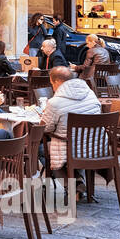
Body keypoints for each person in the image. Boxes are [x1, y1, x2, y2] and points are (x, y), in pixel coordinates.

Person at [40, 65, 102, 196]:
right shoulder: (90, 94)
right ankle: (79, 181)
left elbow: (45, 129)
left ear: (57, 82)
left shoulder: (55, 102)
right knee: (71, 147)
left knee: (41, 149)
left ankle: (72, 185)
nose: (52, 87)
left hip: (69, 148)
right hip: (94, 147)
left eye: (52, 83)